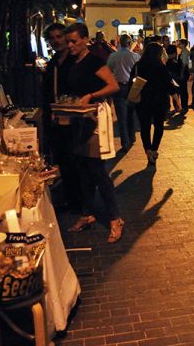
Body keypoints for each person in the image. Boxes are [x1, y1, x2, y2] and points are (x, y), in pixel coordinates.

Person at [63, 23, 124, 243]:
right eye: (68, 41)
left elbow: (113, 85)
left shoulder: (94, 61)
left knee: (97, 170)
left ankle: (115, 218)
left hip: (95, 120)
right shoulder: (71, 62)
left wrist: (91, 95)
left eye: (74, 41)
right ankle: (87, 214)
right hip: (78, 121)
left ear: (85, 40)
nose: (70, 45)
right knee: (83, 169)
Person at [41, 23, 79, 210]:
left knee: (75, 161)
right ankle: (70, 199)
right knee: (62, 160)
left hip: (74, 120)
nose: (56, 41)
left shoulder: (76, 61)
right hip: (55, 119)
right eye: (52, 38)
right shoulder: (54, 62)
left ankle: (79, 202)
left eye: (59, 37)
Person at [133, 43, 174, 164]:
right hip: (160, 101)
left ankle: (148, 150)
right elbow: (169, 84)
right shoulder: (161, 67)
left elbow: (132, 81)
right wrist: (176, 99)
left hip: (143, 101)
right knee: (158, 126)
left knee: (145, 127)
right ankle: (154, 149)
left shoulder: (139, 65)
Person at [107, 34, 140, 150]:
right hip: (132, 87)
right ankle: (132, 137)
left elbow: (108, 70)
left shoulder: (113, 56)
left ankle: (125, 142)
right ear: (130, 43)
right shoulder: (135, 56)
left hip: (118, 87)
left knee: (121, 116)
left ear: (119, 43)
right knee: (131, 114)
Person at [166, 47, 184, 113]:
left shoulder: (176, 58)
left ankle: (177, 106)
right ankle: (176, 106)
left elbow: (180, 66)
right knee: (172, 91)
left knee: (174, 91)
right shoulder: (166, 60)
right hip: (170, 76)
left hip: (174, 76)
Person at [177, 39, 191, 111]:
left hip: (184, 72)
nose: (178, 45)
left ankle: (184, 106)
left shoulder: (185, 52)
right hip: (185, 72)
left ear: (184, 44)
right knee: (183, 90)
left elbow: (184, 64)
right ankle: (184, 106)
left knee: (183, 90)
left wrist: (181, 74)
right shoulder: (184, 51)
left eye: (180, 44)